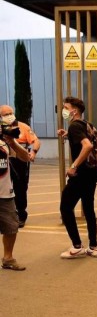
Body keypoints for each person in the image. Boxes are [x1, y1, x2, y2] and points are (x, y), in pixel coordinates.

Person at [58, 96, 97, 259]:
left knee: (66, 207)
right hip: (91, 173)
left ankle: (77, 246)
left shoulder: (75, 125)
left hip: (80, 174)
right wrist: (68, 134)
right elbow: (91, 140)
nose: (64, 110)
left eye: (66, 107)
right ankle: (93, 246)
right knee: (88, 208)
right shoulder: (86, 124)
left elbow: (88, 145)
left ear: (74, 111)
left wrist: (73, 166)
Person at [1, 105, 40, 228]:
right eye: (5, 114)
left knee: (20, 188)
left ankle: (21, 215)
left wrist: (33, 152)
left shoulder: (23, 127)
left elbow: (36, 141)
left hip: (20, 160)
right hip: (4, 161)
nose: (9, 116)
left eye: (10, 113)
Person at [0, 124, 30, 271]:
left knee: (11, 227)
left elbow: (26, 157)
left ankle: (8, 258)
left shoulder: (5, 142)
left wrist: (12, 142)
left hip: (5, 193)